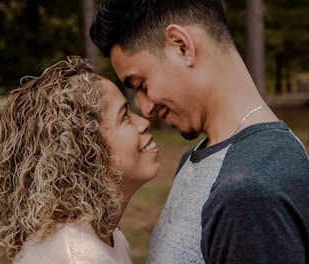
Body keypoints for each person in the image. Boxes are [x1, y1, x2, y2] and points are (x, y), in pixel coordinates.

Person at [90, 0, 309, 263]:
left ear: (182, 46)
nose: (145, 109)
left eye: (142, 84)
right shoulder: (201, 157)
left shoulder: (248, 193)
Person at [0, 55, 159, 263]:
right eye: (125, 116)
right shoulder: (79, 256)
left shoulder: (109, 237)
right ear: (85, 150)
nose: (143, 123)